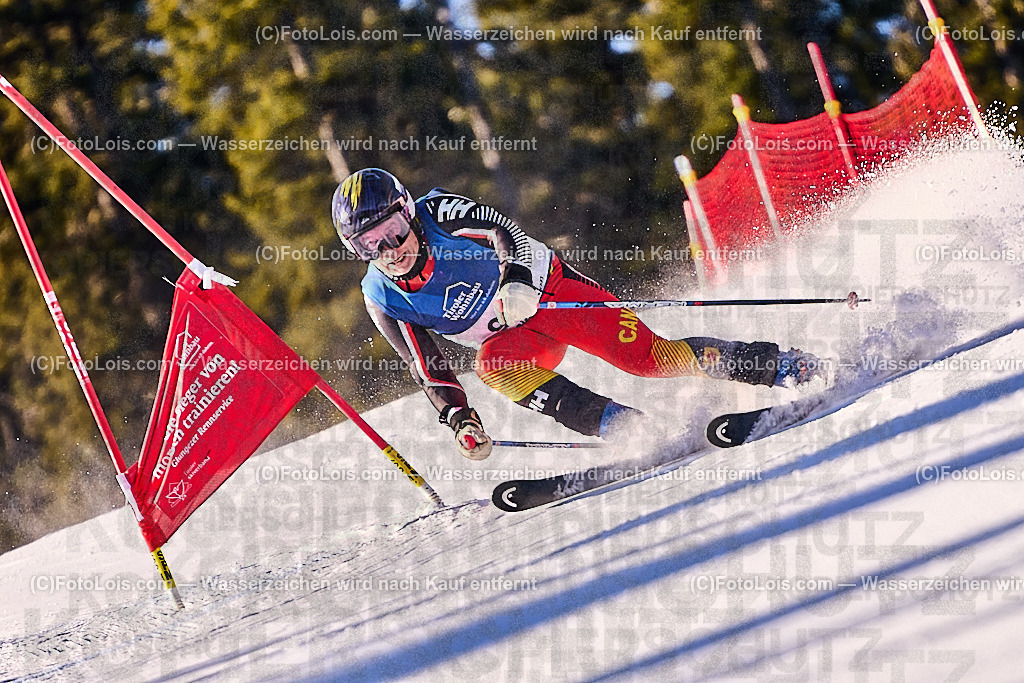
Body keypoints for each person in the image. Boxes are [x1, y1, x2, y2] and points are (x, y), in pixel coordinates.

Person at [332, 168, 823, 461]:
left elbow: (500, 227)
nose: (389, 249)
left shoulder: (439, 213)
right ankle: (623, 426)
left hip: (554, 295)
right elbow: (427, 366)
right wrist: (460, 418)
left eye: (394, 230)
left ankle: (780, 365)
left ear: (409, 212)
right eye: (368, 244)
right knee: (492, 368)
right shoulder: (381, 296)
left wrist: (517, 279)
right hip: (516, 340)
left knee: (648, 360)